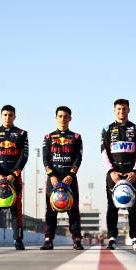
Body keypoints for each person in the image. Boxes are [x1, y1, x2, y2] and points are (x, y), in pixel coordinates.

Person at [0, 105, 29, 250]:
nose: (8, 117)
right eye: (5, 115)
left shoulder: (21, 133)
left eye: (10, 115)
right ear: (1, 116)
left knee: (16, 210)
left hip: (14, 177)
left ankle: (18, 240)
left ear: (15, 117)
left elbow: (24, 156)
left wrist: (13, 175)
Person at [101, 99, 136, 250]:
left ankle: (135, 238)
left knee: (134, 207)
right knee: (112, 206)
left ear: (129, 110)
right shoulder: (107, 129)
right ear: (114, 110)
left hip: (131, 174)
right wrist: (111, 171)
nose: (121, 111)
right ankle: (112, 238)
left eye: (124, 109)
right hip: (113, 175)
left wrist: (135, 171)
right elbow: (104, 152)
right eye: (119, 109)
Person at [41, 106, 84, 250]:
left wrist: (71, 175)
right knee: (50, 210)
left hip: (70, 179)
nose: (63, 119)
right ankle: (48, 239)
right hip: (53, 179)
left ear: (70, 118)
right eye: (60, 116)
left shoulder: (76, 137)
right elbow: (46, 158)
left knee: (73, 210)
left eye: (66, 116)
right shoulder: (48, 137)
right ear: (56, 118)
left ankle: (77, 239)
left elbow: (78, 158)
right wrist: (51, 175)